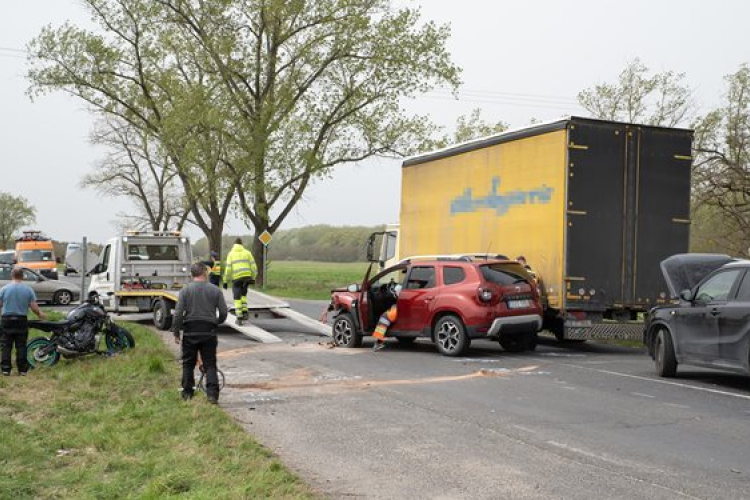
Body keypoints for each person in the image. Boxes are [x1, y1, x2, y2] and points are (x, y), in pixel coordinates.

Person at [172, 262, 228, 403]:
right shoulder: (215, 290)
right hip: (209, 331)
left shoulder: (185, 291)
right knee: (210, 363)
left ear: (192, 275)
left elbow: (178, 313)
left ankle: (187, 392)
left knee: (188, 363)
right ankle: (212, 395)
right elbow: (223, 311)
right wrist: (217, 322)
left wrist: (176, 332)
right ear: (205, 273)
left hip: (190, 331)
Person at [0, 266, 46, 376]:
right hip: (21, 320)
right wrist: (40, 314)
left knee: (6, 346)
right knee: (21, 346)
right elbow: (33, 306)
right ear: (23, 276)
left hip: (6, 320)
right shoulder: (28, 289)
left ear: (12, 275)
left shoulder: (4, 289)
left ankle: (6, 369)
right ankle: (22, 370)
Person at [223, 237, 257, 323]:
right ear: (242, 244)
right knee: (243, 295)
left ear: (234, 245)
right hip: (247, 277)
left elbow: (228, 269)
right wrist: (253, 278)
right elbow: (254, 267)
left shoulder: (231, 254)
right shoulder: (247, 253)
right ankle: (245, 311)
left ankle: (239, 316)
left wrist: (225, 281)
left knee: (237, 297)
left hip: (237, 278)